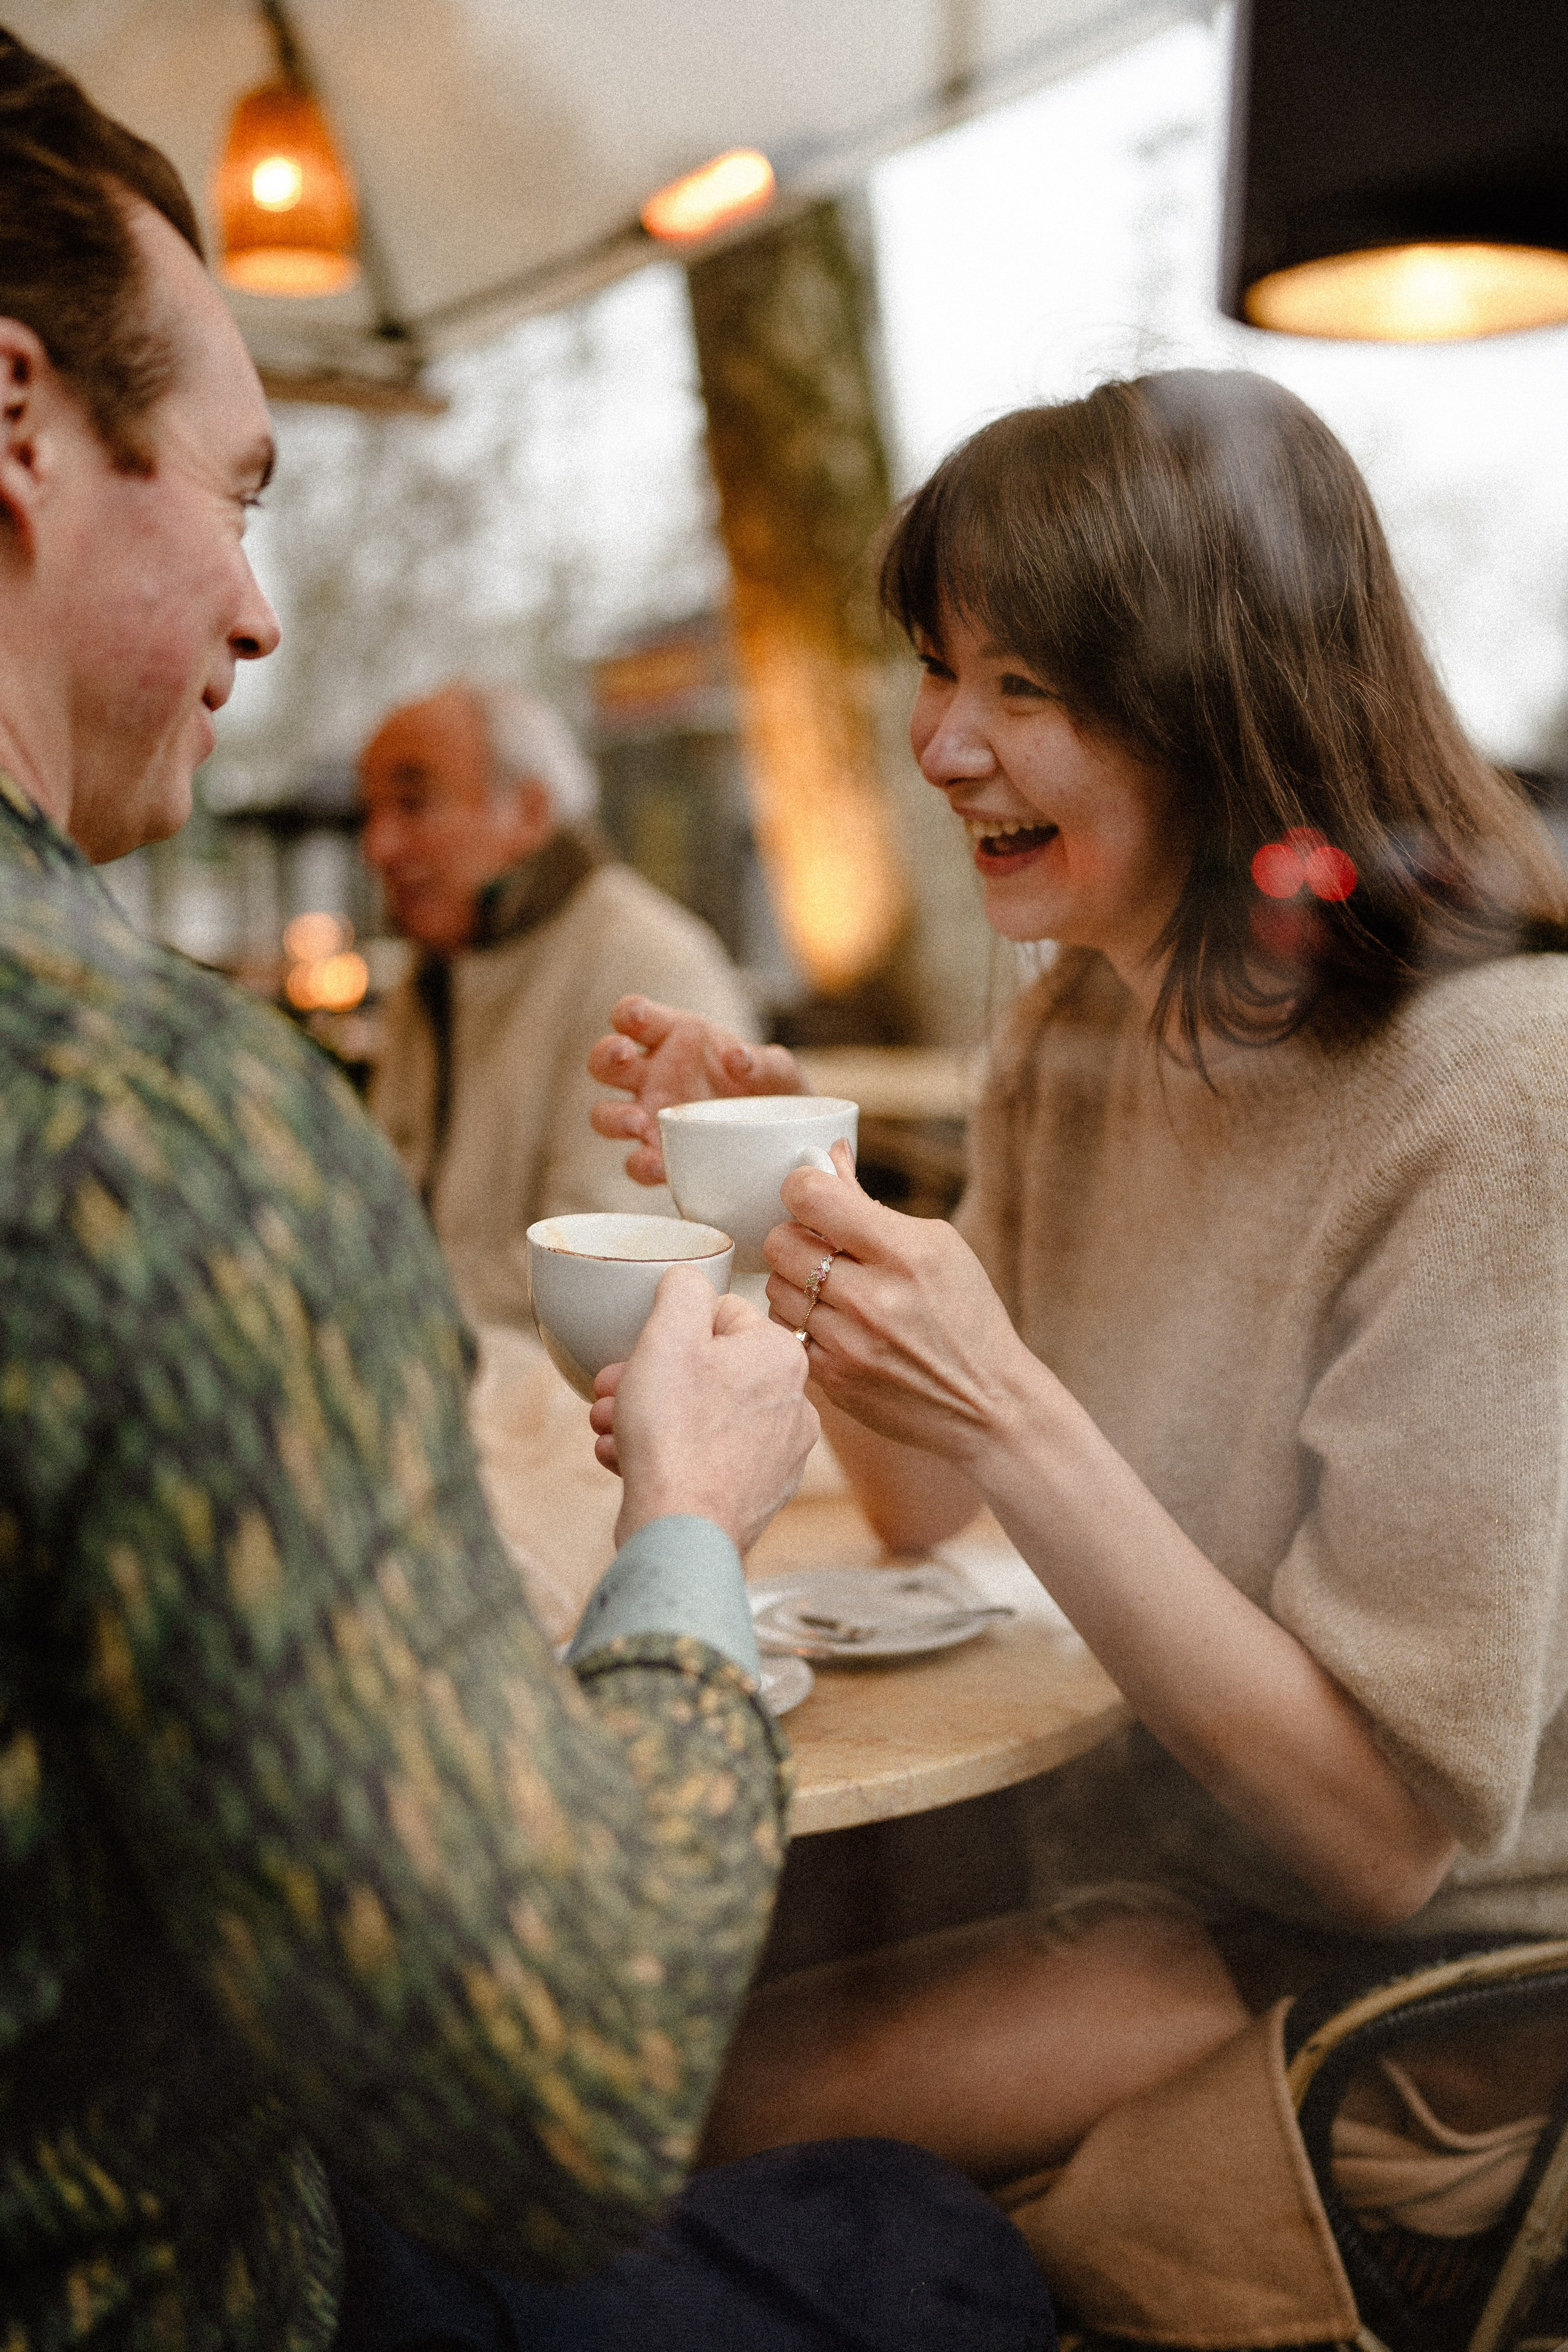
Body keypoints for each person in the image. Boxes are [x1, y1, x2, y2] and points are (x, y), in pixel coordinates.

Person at [0, 31, 1052, 2352]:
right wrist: (684, 1518)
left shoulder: (510, 994)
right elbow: (555, 2109)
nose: (262, 616)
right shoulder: (152, 1120)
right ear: (17, 423)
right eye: (242, 489)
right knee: (932, 2255)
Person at [588, 372, 1568, 2194]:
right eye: (939, 668)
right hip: (1118, 1858)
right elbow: (927, 1497)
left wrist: (1002, 1389)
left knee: (637, 2125)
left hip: (1405, 1985)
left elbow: (1377, 1843)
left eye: (1021, 687)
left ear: (1226, 710)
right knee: (571, 2012)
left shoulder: (1495, 1089)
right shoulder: (1079, 1035)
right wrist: (796, 1203)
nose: (941, 743)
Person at [361, 680, 752, 1332]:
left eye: (413, 805)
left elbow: (610, 1270)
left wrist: (359, 1312)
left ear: (531, 811)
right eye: (368, 813)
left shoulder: (645, 969)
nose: (380, 847)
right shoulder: (434, 970)